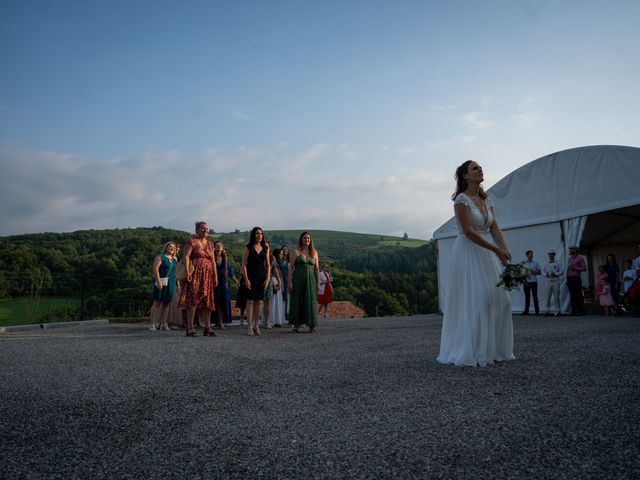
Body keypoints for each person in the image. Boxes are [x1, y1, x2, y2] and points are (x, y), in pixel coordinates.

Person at [437, 160, 515, 367]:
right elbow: (469, 232)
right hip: (467, 252)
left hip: (487, 252)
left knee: (502, 300)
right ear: (465, 176)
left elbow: (494, 228)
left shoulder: (486, 200)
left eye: (480, 167)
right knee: (479, 300)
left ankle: (495, 349)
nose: (480, 169)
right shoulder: (461, 201)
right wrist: (495, 250)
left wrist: (504, 249)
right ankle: (472, 350)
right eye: (475, 168)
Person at [178, 221, 218, 337]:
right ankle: (190, 327)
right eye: (202, 228)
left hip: (207, 275)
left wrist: (215, 276)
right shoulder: (192, 241)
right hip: (195, 273)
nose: (205, 230)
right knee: (193, 298)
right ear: (197, 230)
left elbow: (213, 262)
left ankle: (207, 327)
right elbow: (186, 256)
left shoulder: (210, 244)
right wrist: (188, 271)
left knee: (208, 301)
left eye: (207, 228)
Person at [288, 231, 320, 333]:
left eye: (308, 238)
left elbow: (316, 269)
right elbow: (290, 268)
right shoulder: (296, 252)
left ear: (311, 240)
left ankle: (312, 325)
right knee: (297, 301)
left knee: (310, 301)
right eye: (305, 238)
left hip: (310, 281)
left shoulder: (314, 253)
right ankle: (296, 325)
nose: (307, 240)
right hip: (298, 280)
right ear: (301, 239)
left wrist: (318, 283)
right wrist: (290, 282)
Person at [241, 227, 270, 336]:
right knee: (250, 301)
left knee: (259, 301)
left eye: (261, 233)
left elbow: (268, 265)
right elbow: (243, 265)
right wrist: (246, 279)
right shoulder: (248, 248)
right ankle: (249, 327)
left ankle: (256, 326)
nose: (259, 235)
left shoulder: (265, 247)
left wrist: (267, 279)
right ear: (253, 235)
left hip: (262, 277)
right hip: (251, 276)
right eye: (257, 233)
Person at [148, 242, 178, 331]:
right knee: (156, 303)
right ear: (166, 247)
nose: (171, 248)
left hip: (171, 283)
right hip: (161, 282)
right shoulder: (160, 256)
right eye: (170, 246)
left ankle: (164, 324)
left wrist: (178, 284)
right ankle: (152, 324)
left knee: (167, 304)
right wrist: (158, 281)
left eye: (173, 247)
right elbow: (155, 269)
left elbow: (176, 272)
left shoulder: (174, 259)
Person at [212, 240, 233, 329]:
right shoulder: (211, 257)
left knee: (222, 301)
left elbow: (227, 272)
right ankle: (215, 321)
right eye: (217, 245)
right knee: (214, 302)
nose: (219, 247)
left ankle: (221, 322)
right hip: (214, 281)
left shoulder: (224, 258)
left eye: (220, 245)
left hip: (223, 282)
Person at [266, 248, 286, 328]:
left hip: (277, 281)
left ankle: (277, 320)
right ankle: (272, 320)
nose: (282, 255)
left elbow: (280, 275)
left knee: (277, 302)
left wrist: (281, 284)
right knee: (272, 302)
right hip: (273, 281)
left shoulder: (279, 263)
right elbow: (273, 273)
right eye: (281, 254)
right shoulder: (273, 261)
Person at [541, 249, 563, 317]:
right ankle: (547, 310)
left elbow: (562, 271)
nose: (551, 255)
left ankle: (557, 311)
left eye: (552, 254)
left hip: (556, 280)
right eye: (550, 254)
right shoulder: (545, 263)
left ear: (554, 255)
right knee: (547, 296)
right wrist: (546, 274)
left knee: (556, 296)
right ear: (548, 255)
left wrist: (556, 273)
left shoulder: (558, 262)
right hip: (548, 281)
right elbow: (542, 271)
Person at [566, 246, 586, 315]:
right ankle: (573, 310)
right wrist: (567, 278)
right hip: (570, 278)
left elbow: (584, 268)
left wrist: (575, 267)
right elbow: (568, 270)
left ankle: (580, 310)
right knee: (572, 295)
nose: (570, 251)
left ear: (575, 251)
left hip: (576, 278)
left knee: (578, 294)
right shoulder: (570, 259)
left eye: (571, 250)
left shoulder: (580, 258)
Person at [520, 250, 541, 315]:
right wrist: (523, 273)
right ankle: (526, 311)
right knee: (527, 297)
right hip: (526, 282)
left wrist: (534, 272)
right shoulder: (523, 263)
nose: (531, 255)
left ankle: (537, 311)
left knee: (535, 296)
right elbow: (520, 273)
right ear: (527, 255)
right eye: (530, 254)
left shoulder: (536, 263)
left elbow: (539, 272)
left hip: (534, 281)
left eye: (532, 254)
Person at [279, 245, 290, 322]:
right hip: (281, 279)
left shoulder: (290, 260)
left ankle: (287, 316)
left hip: (288, 280)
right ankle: (281, 316)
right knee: (281, 299)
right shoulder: (279, 260)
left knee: (287, 299)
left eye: (286, 249)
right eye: (283, 249)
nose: (285, 251)